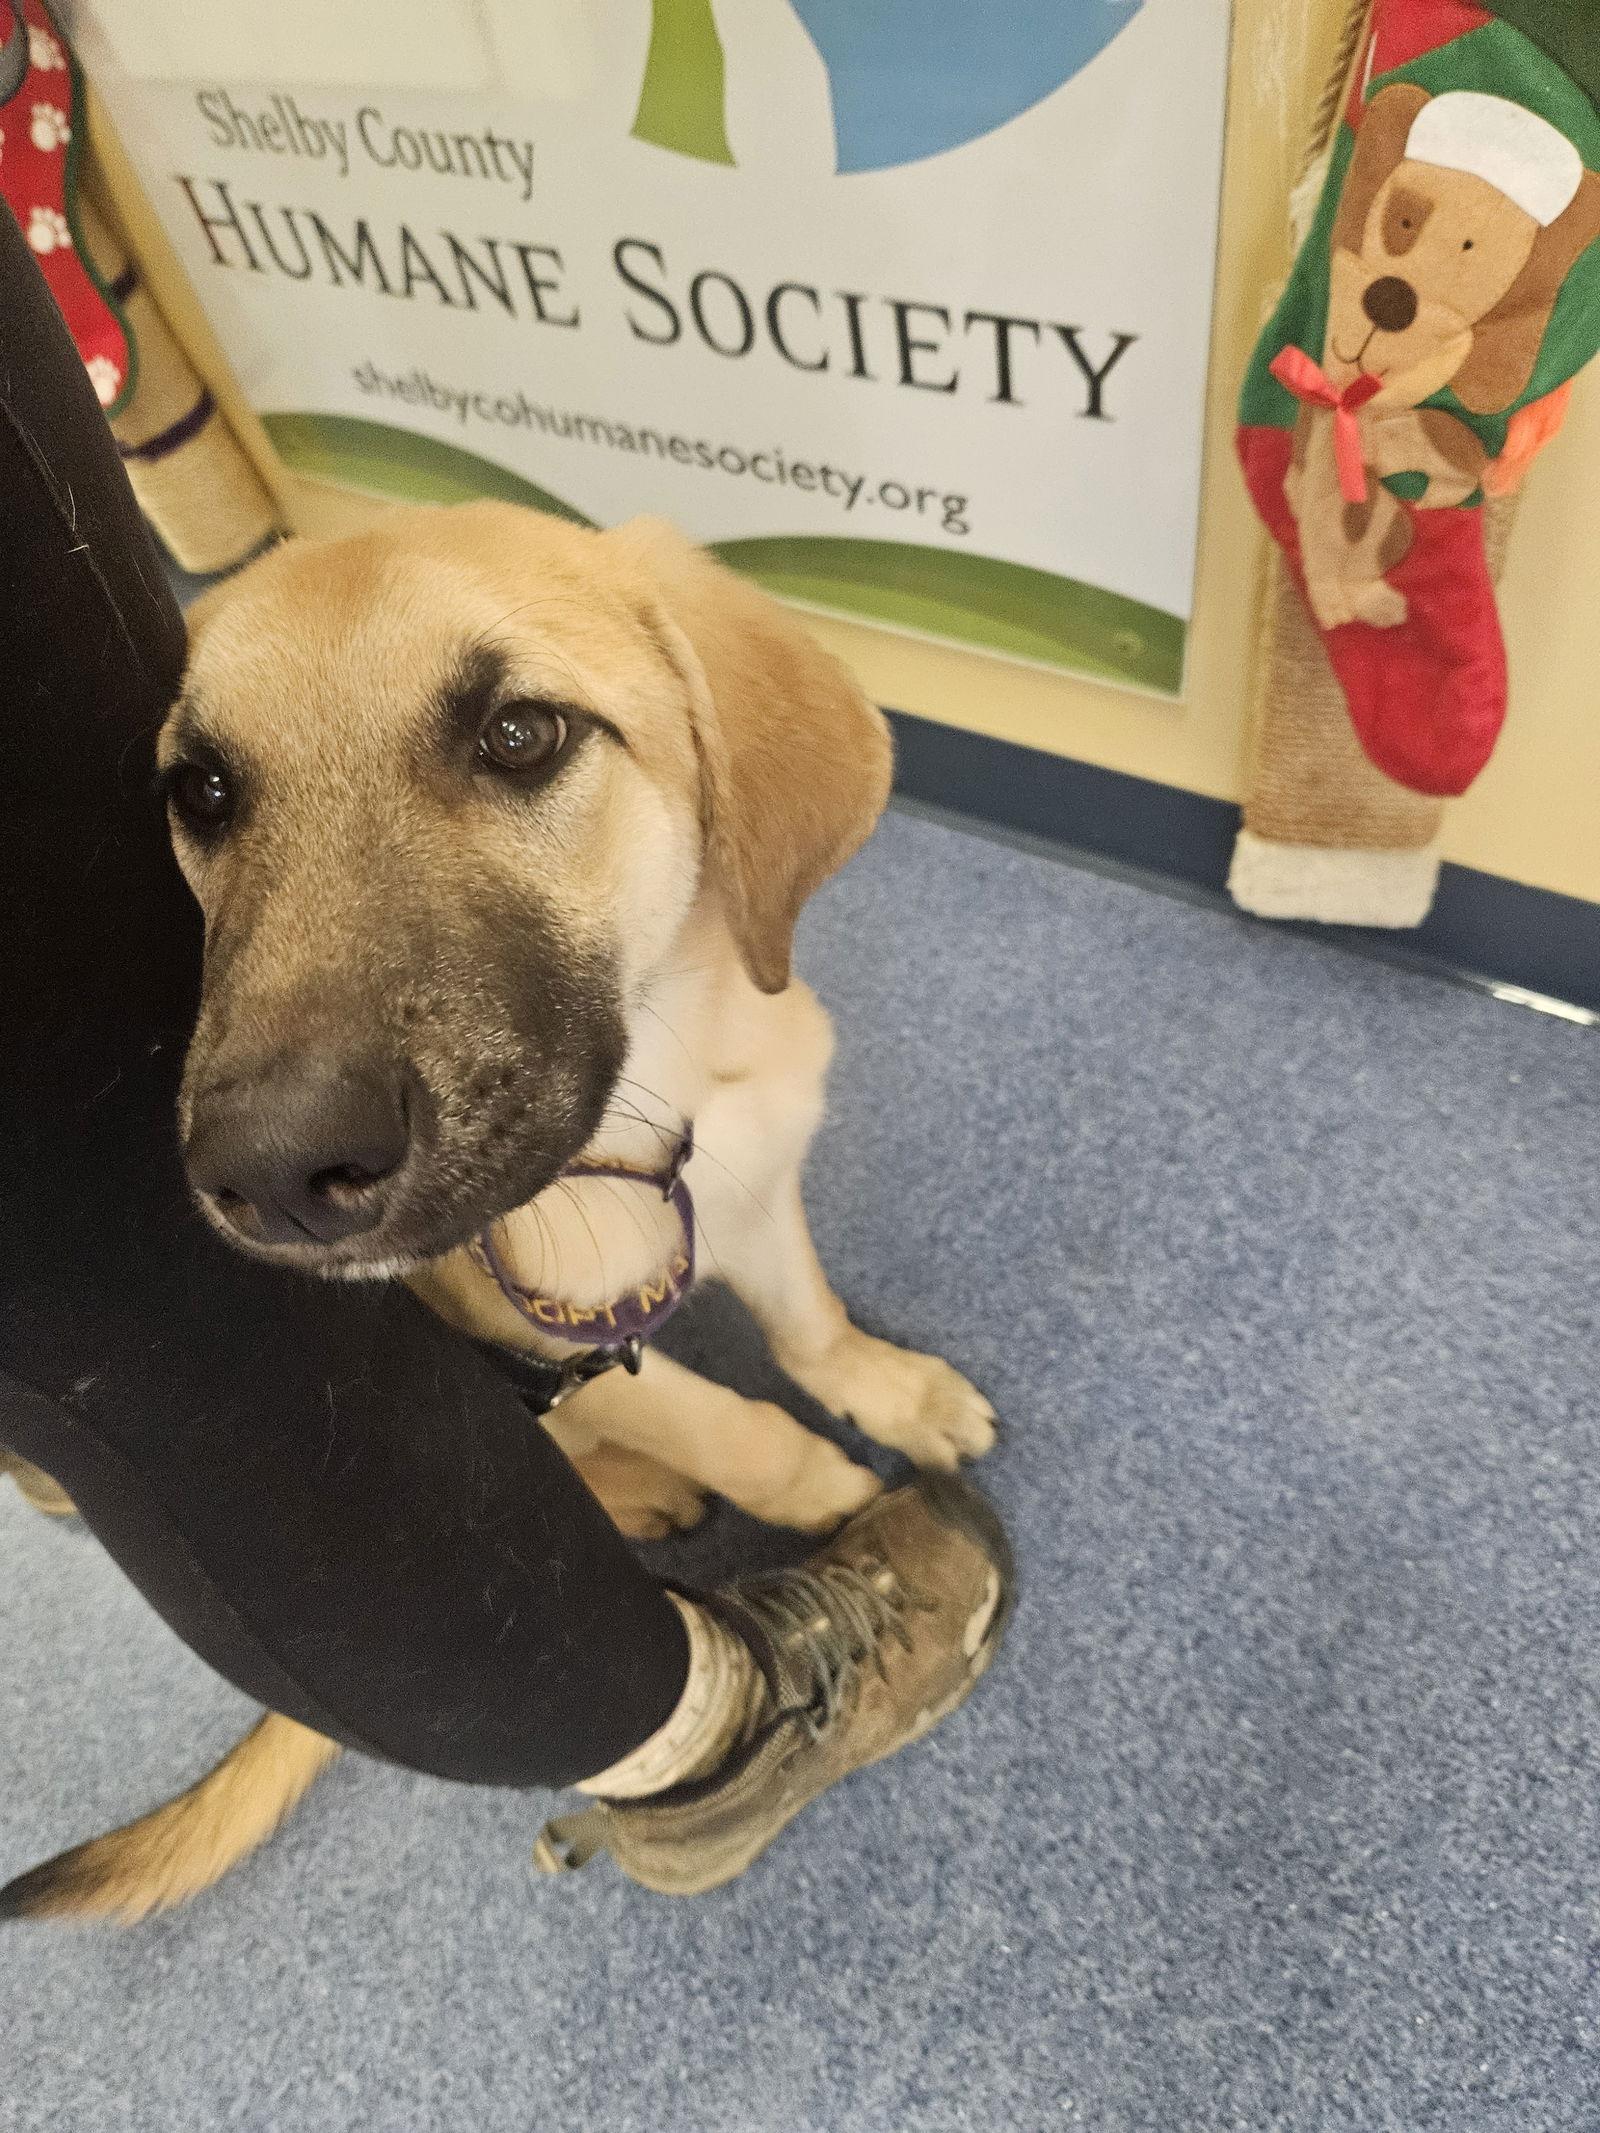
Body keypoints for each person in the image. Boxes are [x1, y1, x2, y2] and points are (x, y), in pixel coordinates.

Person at [0, 198, 1012, 1908]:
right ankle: (699, 1734)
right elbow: (566, 1326)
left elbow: (742, 1175)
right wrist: (777, 1460)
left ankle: (768, 1384)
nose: (280, 1118)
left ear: (719, 772)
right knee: (508, 1341)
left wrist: (824, 1350)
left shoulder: (753, 980)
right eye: (219, 792)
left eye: (517, 736)